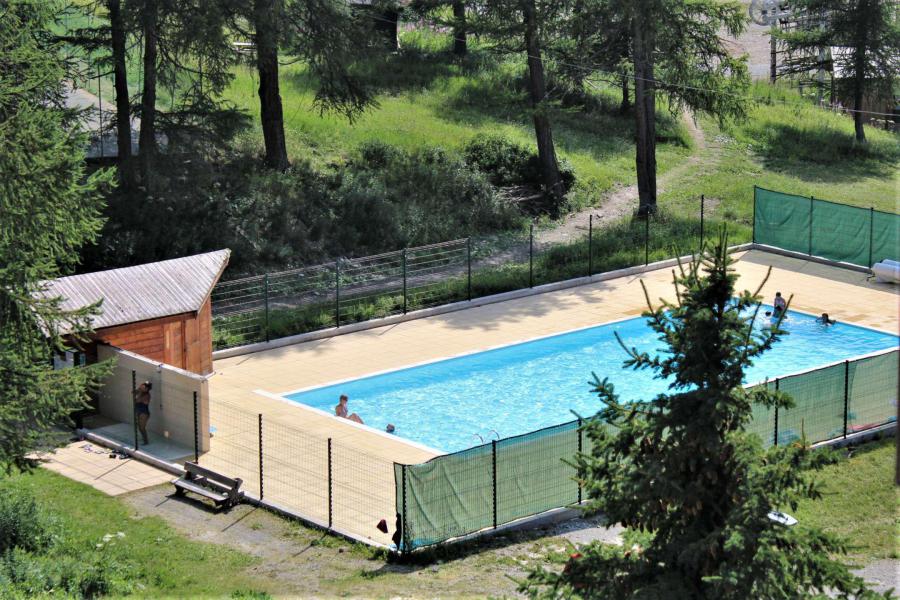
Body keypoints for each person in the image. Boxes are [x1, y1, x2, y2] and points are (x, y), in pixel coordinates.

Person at [133, 381, 152, 445]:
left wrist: (139, 391)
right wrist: (139, 388)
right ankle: (144, 439)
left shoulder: (147, 395)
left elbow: (137, 400)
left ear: (147, 389)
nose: (142, 387)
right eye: (143, 385)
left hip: (144, 413)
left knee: (142, 428)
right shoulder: (141, 392)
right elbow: (133, 392)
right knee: (139, 427)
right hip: (139, 411)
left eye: (144, 386)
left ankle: (146, 441)